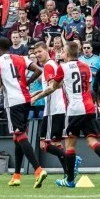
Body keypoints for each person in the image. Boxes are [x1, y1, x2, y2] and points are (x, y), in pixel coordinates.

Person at [32, 40, 100, 188]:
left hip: (74, 109)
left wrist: (36, 97)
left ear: (67, 53)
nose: (61, 53)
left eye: (63, 51)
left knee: (70, 144)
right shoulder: (87, 67)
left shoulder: (62, 68)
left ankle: (70, 180)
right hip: (88, 107)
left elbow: (53, 88)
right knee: (92, 141)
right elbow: (88, 87)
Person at [0, 36, 46, 187]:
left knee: (20, 135)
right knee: (17, 136)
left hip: (13, 101)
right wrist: (25, 83)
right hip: (26, 99)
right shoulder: (21, 57)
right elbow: (37, 70)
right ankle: (16, 175)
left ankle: (38, 169)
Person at [31, 40, 72, 172]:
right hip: (59, 108)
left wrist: (36, 98)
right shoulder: (53, 64)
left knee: (44, 144)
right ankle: (68, 172)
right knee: (57, 143)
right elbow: (56, 85)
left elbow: (52, 87)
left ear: (47, 50)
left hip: (53, 110)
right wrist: (36, 92)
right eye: (35, 52)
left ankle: (71, 162)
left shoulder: (49, 66)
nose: (37, 54)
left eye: (39, 51)